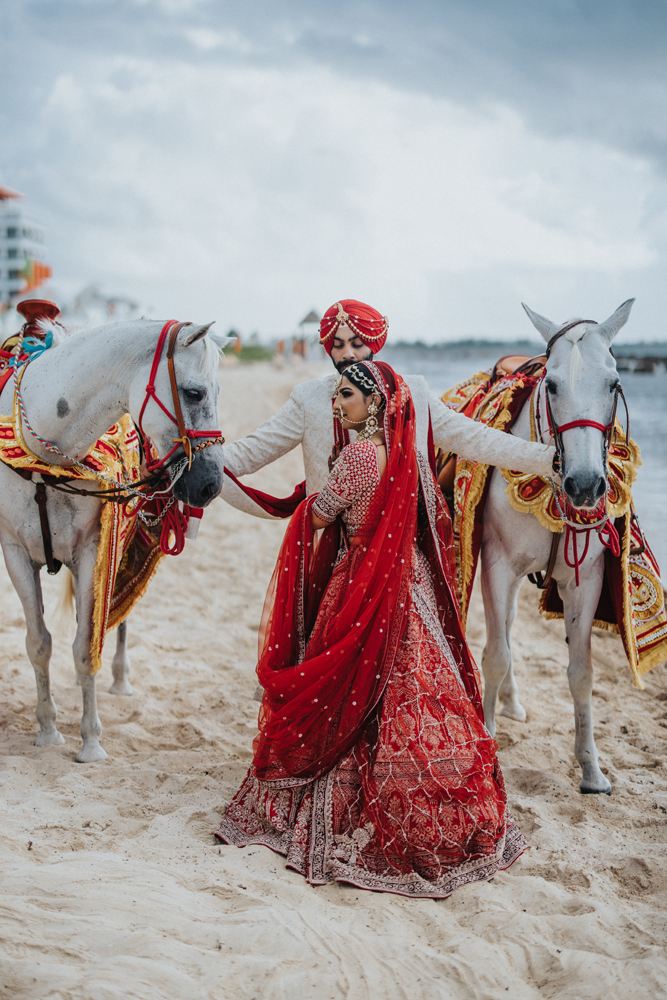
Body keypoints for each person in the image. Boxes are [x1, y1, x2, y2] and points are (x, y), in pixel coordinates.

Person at [216, 361, 527, 898]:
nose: (338, 405)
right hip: (414, 580)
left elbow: (322, 515)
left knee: (350, 685)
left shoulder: (360, 454)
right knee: (423, 688)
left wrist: (309, 504)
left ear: (374, 403)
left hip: (363, 580)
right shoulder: (405, 453)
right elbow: (432, 511)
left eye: (346, 396)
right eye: (336, 395)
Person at [220, 299, 555, 519]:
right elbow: (253, 451)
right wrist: (192, 461)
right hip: (327, 549)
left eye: (356, 343)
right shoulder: (309, 398)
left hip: (399, 551)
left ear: (374, 345)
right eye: (337, 346)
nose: (348, 354)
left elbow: (476, 440)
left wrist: (547, 460)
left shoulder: (413, 393)